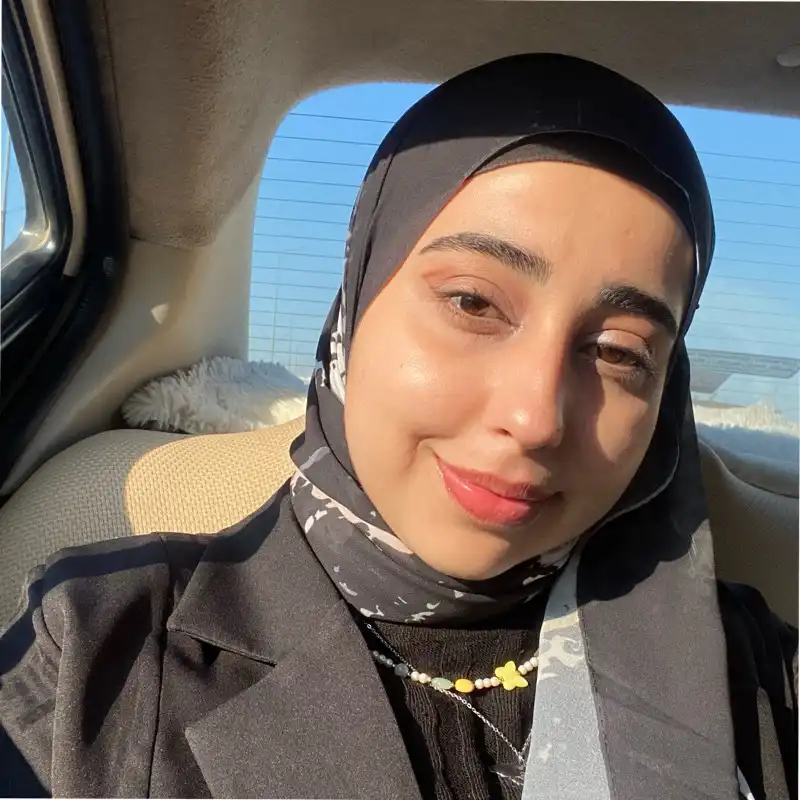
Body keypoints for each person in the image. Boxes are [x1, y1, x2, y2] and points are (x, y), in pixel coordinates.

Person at [0, 53, 796, 800]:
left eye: (620, 352)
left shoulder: (757, 678)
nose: (534, 418)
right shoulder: (94, 657)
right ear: (356, 304)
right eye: (473, 303)